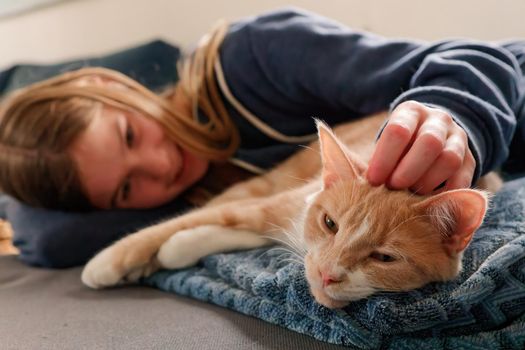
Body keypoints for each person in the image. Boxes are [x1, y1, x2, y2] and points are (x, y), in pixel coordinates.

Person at [0, 8, 524, 265]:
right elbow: (49, 240)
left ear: (105, 84)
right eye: (125, 190)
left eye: (131, 135)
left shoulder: (250, 58)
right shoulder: (191, 198)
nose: (161, 167)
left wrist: (453, 117)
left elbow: (475, 58)